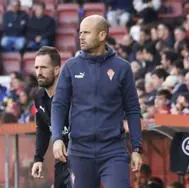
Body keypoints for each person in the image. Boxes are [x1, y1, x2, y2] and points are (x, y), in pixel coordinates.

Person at [51, 15, 143, 188]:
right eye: (80, 33)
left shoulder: (122, 68)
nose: (81, 37)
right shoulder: (71, 67)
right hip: (80, 151)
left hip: (113, 150)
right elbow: (59, 105)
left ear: (102, 35)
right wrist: (56, 138)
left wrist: (137, 148)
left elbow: (132, 109)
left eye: (86, 33)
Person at [31, 46, 71, 188]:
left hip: (81, 155)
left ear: (56, 70)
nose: (39, 72)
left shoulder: (71, 94)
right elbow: (42, 129)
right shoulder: (39, 97)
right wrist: (38, 159)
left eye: (43, 67)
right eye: (36, 68)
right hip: (61, 159)